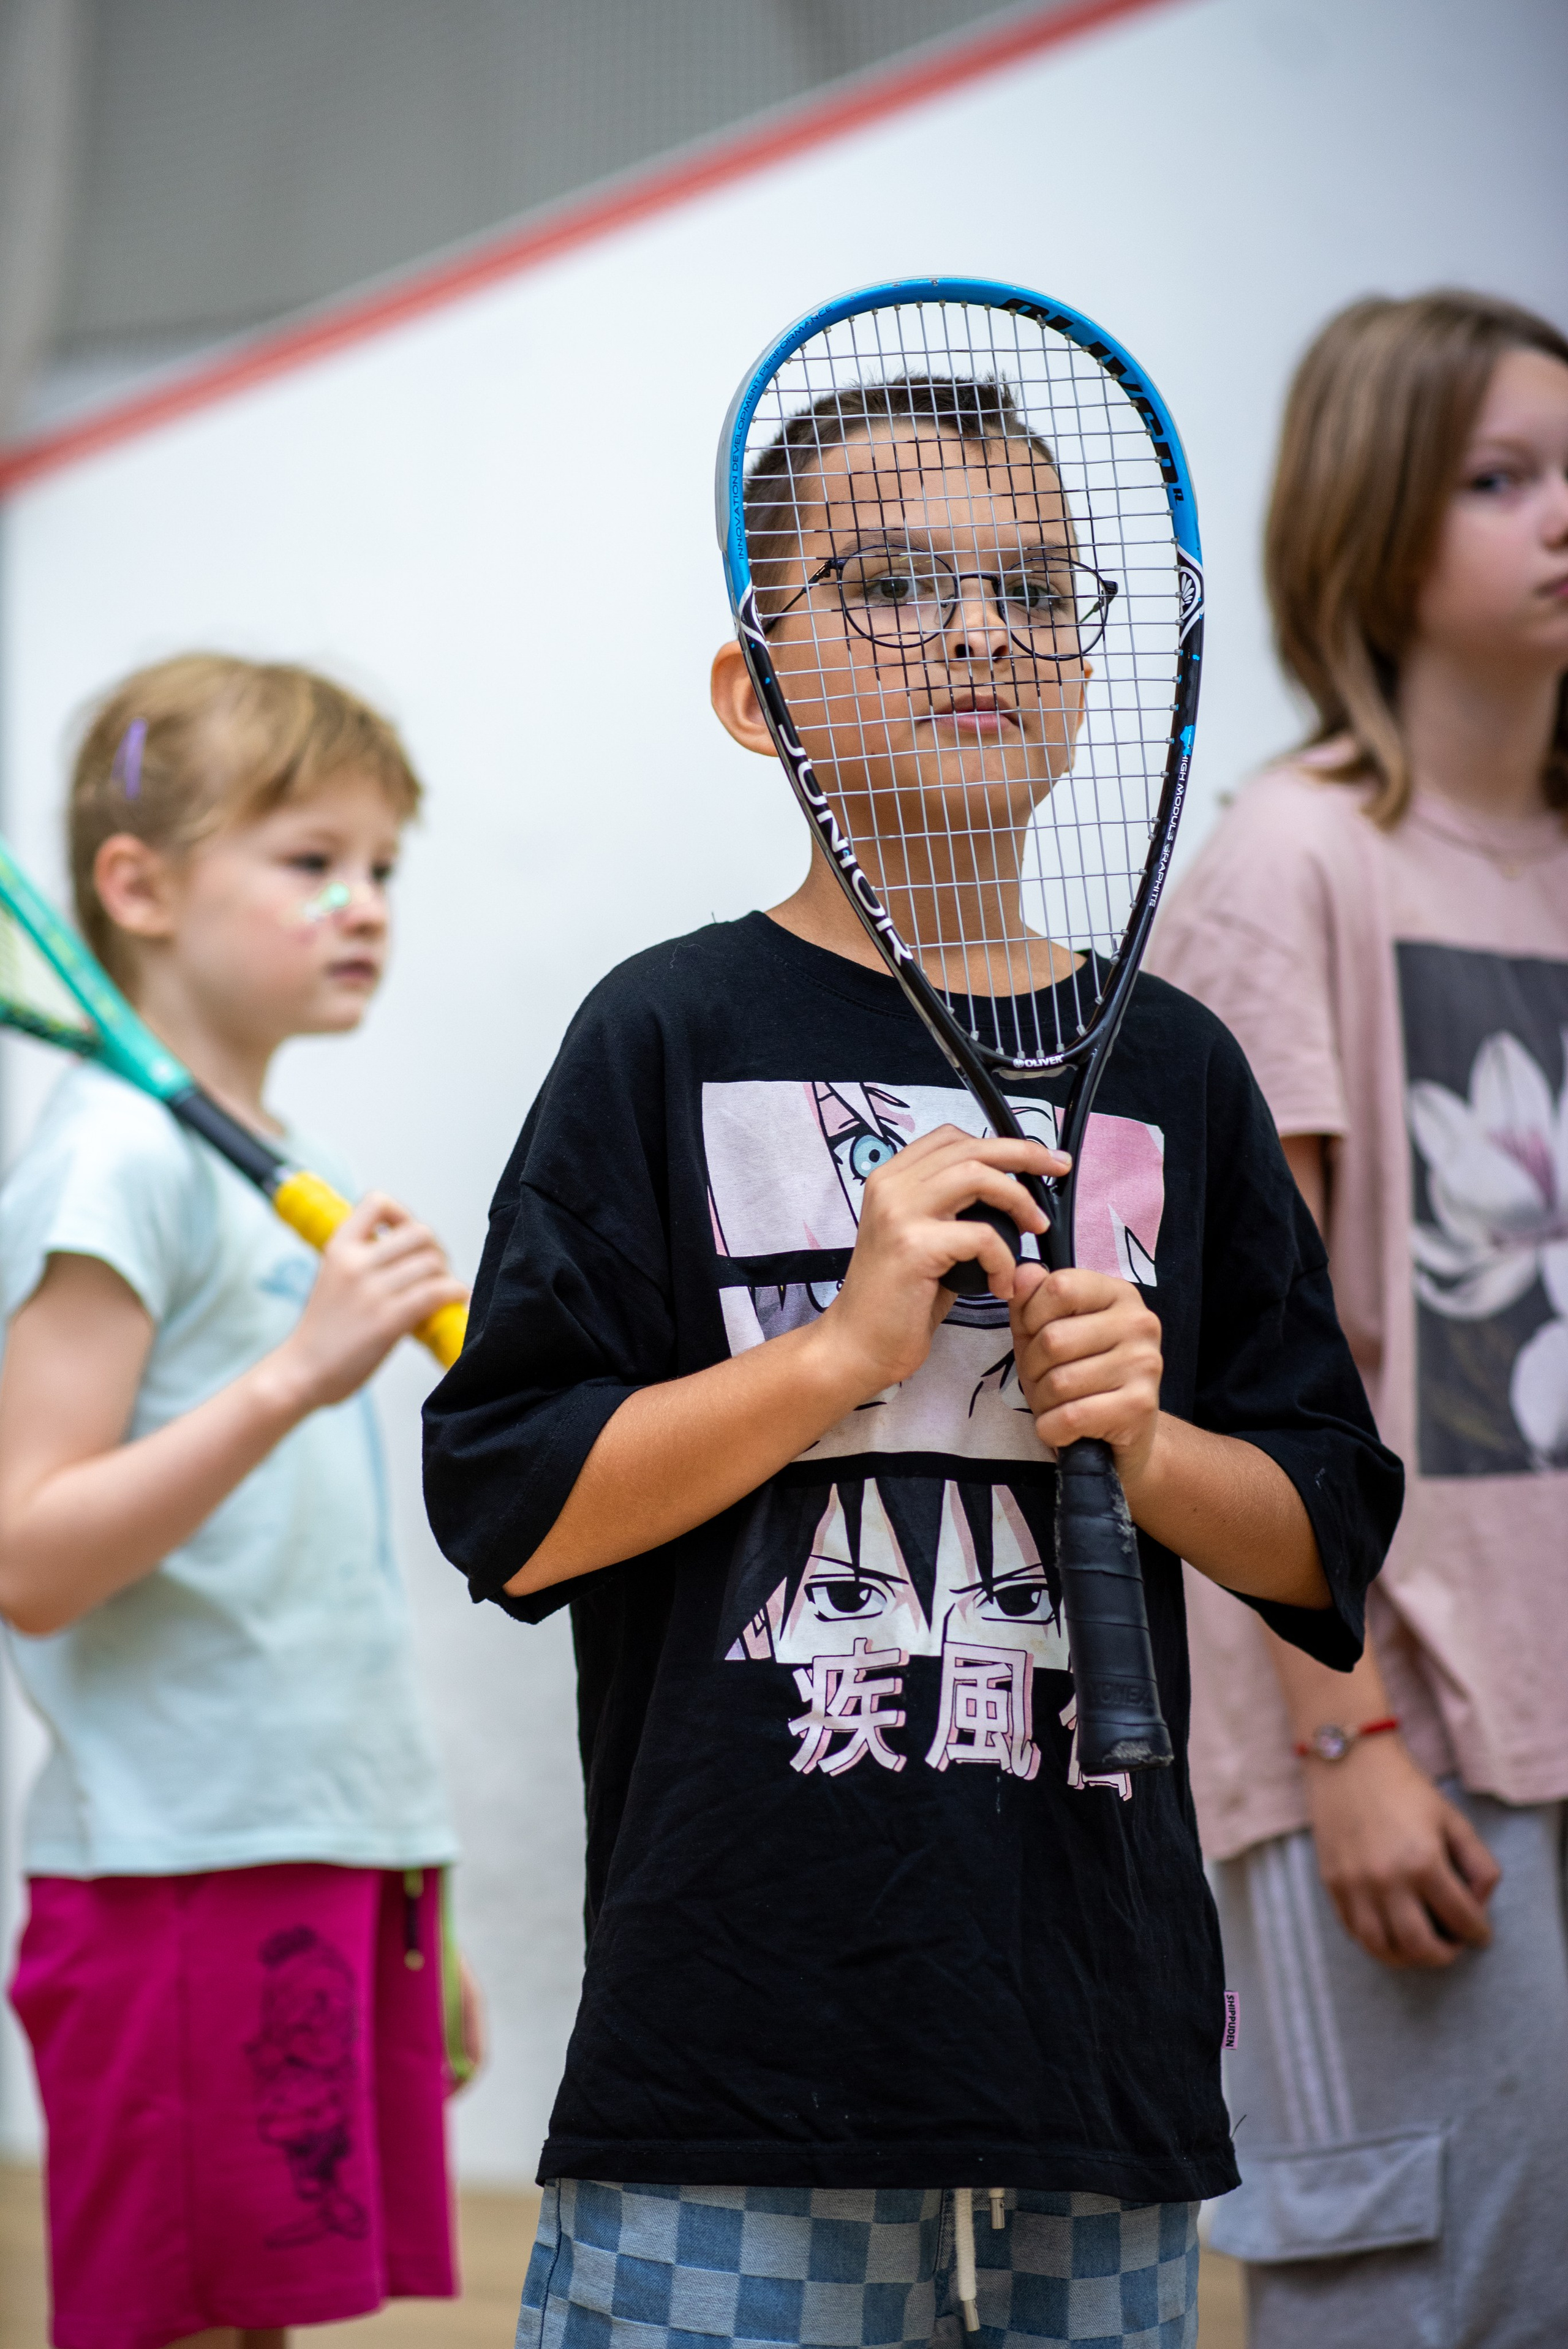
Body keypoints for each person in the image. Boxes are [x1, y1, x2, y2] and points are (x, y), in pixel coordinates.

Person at [424, 373, 1401, 2349]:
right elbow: (511, 1507)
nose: (979, 630)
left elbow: (1319, 1536)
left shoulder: (1185, 1068)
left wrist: (1146, 1427)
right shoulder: (660, 1033)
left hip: (1092, 2048)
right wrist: (837, 1355)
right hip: (733, 2047)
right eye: (891, 583)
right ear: (750, 692)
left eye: (1039, 591)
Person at [1148, 291, 1568, 2344]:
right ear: (1377, 526)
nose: (1563, 515)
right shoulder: (1289, 867)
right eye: (1506, 478)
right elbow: (1236, 1375)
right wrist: (1344, 1732)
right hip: (1392, 1745)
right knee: (1431, 2311)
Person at [0, 654, 475, 2349]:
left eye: (384, 868)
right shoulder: (117, 1160)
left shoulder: (248, 1153)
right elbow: (30, 1553)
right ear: (136, 889)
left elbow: (301, 1594)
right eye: (309, 859)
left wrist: (410, 1875)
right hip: (178, 1873)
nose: (363, 904)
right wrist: (298, 1373)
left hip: (309, 1851)